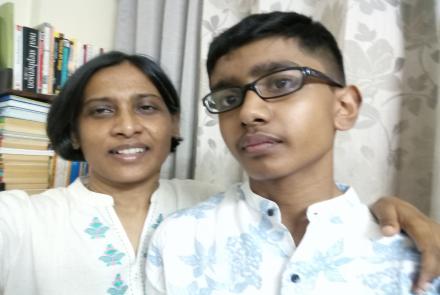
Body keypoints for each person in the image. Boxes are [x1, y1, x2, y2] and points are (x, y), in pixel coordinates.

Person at [0, 52, 437, 295]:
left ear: (174, 123)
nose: (128, 126)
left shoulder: (218, 206)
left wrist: (387, 212)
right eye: (101, 111)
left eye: (147, 107)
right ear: (74, 133)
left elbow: (312, 215)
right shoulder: (22, 221)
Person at [145, 11, 440, 295]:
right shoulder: (180, 241)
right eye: (229, 97)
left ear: (345, 107)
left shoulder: (414, 255)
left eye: (281, 82)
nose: (249, 112)